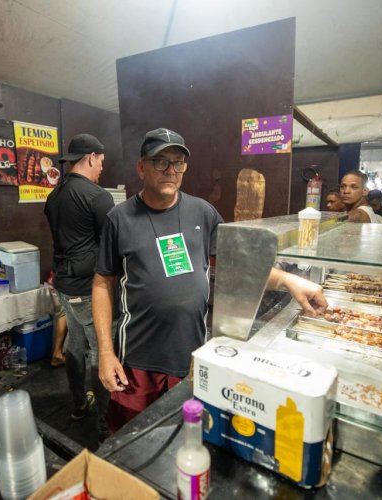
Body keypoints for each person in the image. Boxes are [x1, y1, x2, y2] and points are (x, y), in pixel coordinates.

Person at [92, 128, 328, 431]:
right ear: (142, 167)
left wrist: (290, 281)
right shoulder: (119, 218)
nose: (171, 170)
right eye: (161, 161)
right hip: (136, 361)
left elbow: (240, 266)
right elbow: (102, 283)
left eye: (178, 163)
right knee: (129, 441)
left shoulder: (202, 212)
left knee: (185, 438)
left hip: (190, 355)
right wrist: (105, 351)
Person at [44, 133, 114, 439]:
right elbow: (111, 245)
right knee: (102, 351)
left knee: (74, 343)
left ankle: (78, 404)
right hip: (89, 287)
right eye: (101, 162)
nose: (101, 168)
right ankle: (105, 424)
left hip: (62, 281)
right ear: (91, 157)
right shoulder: (97, 196)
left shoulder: (54, 195)